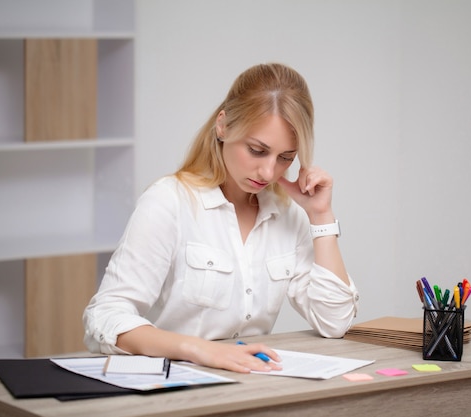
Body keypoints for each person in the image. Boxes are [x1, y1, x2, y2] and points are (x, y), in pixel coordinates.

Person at [83, 63, 359, 373]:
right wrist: (199, 350)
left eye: (285, 158)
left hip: (252, 386)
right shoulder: (169, 201)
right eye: (257, 150)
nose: (268, 173)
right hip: (177, 386)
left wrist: (321, 215)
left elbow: (334, 322)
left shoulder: (288, 215)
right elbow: (105, 316)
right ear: (223, 126)